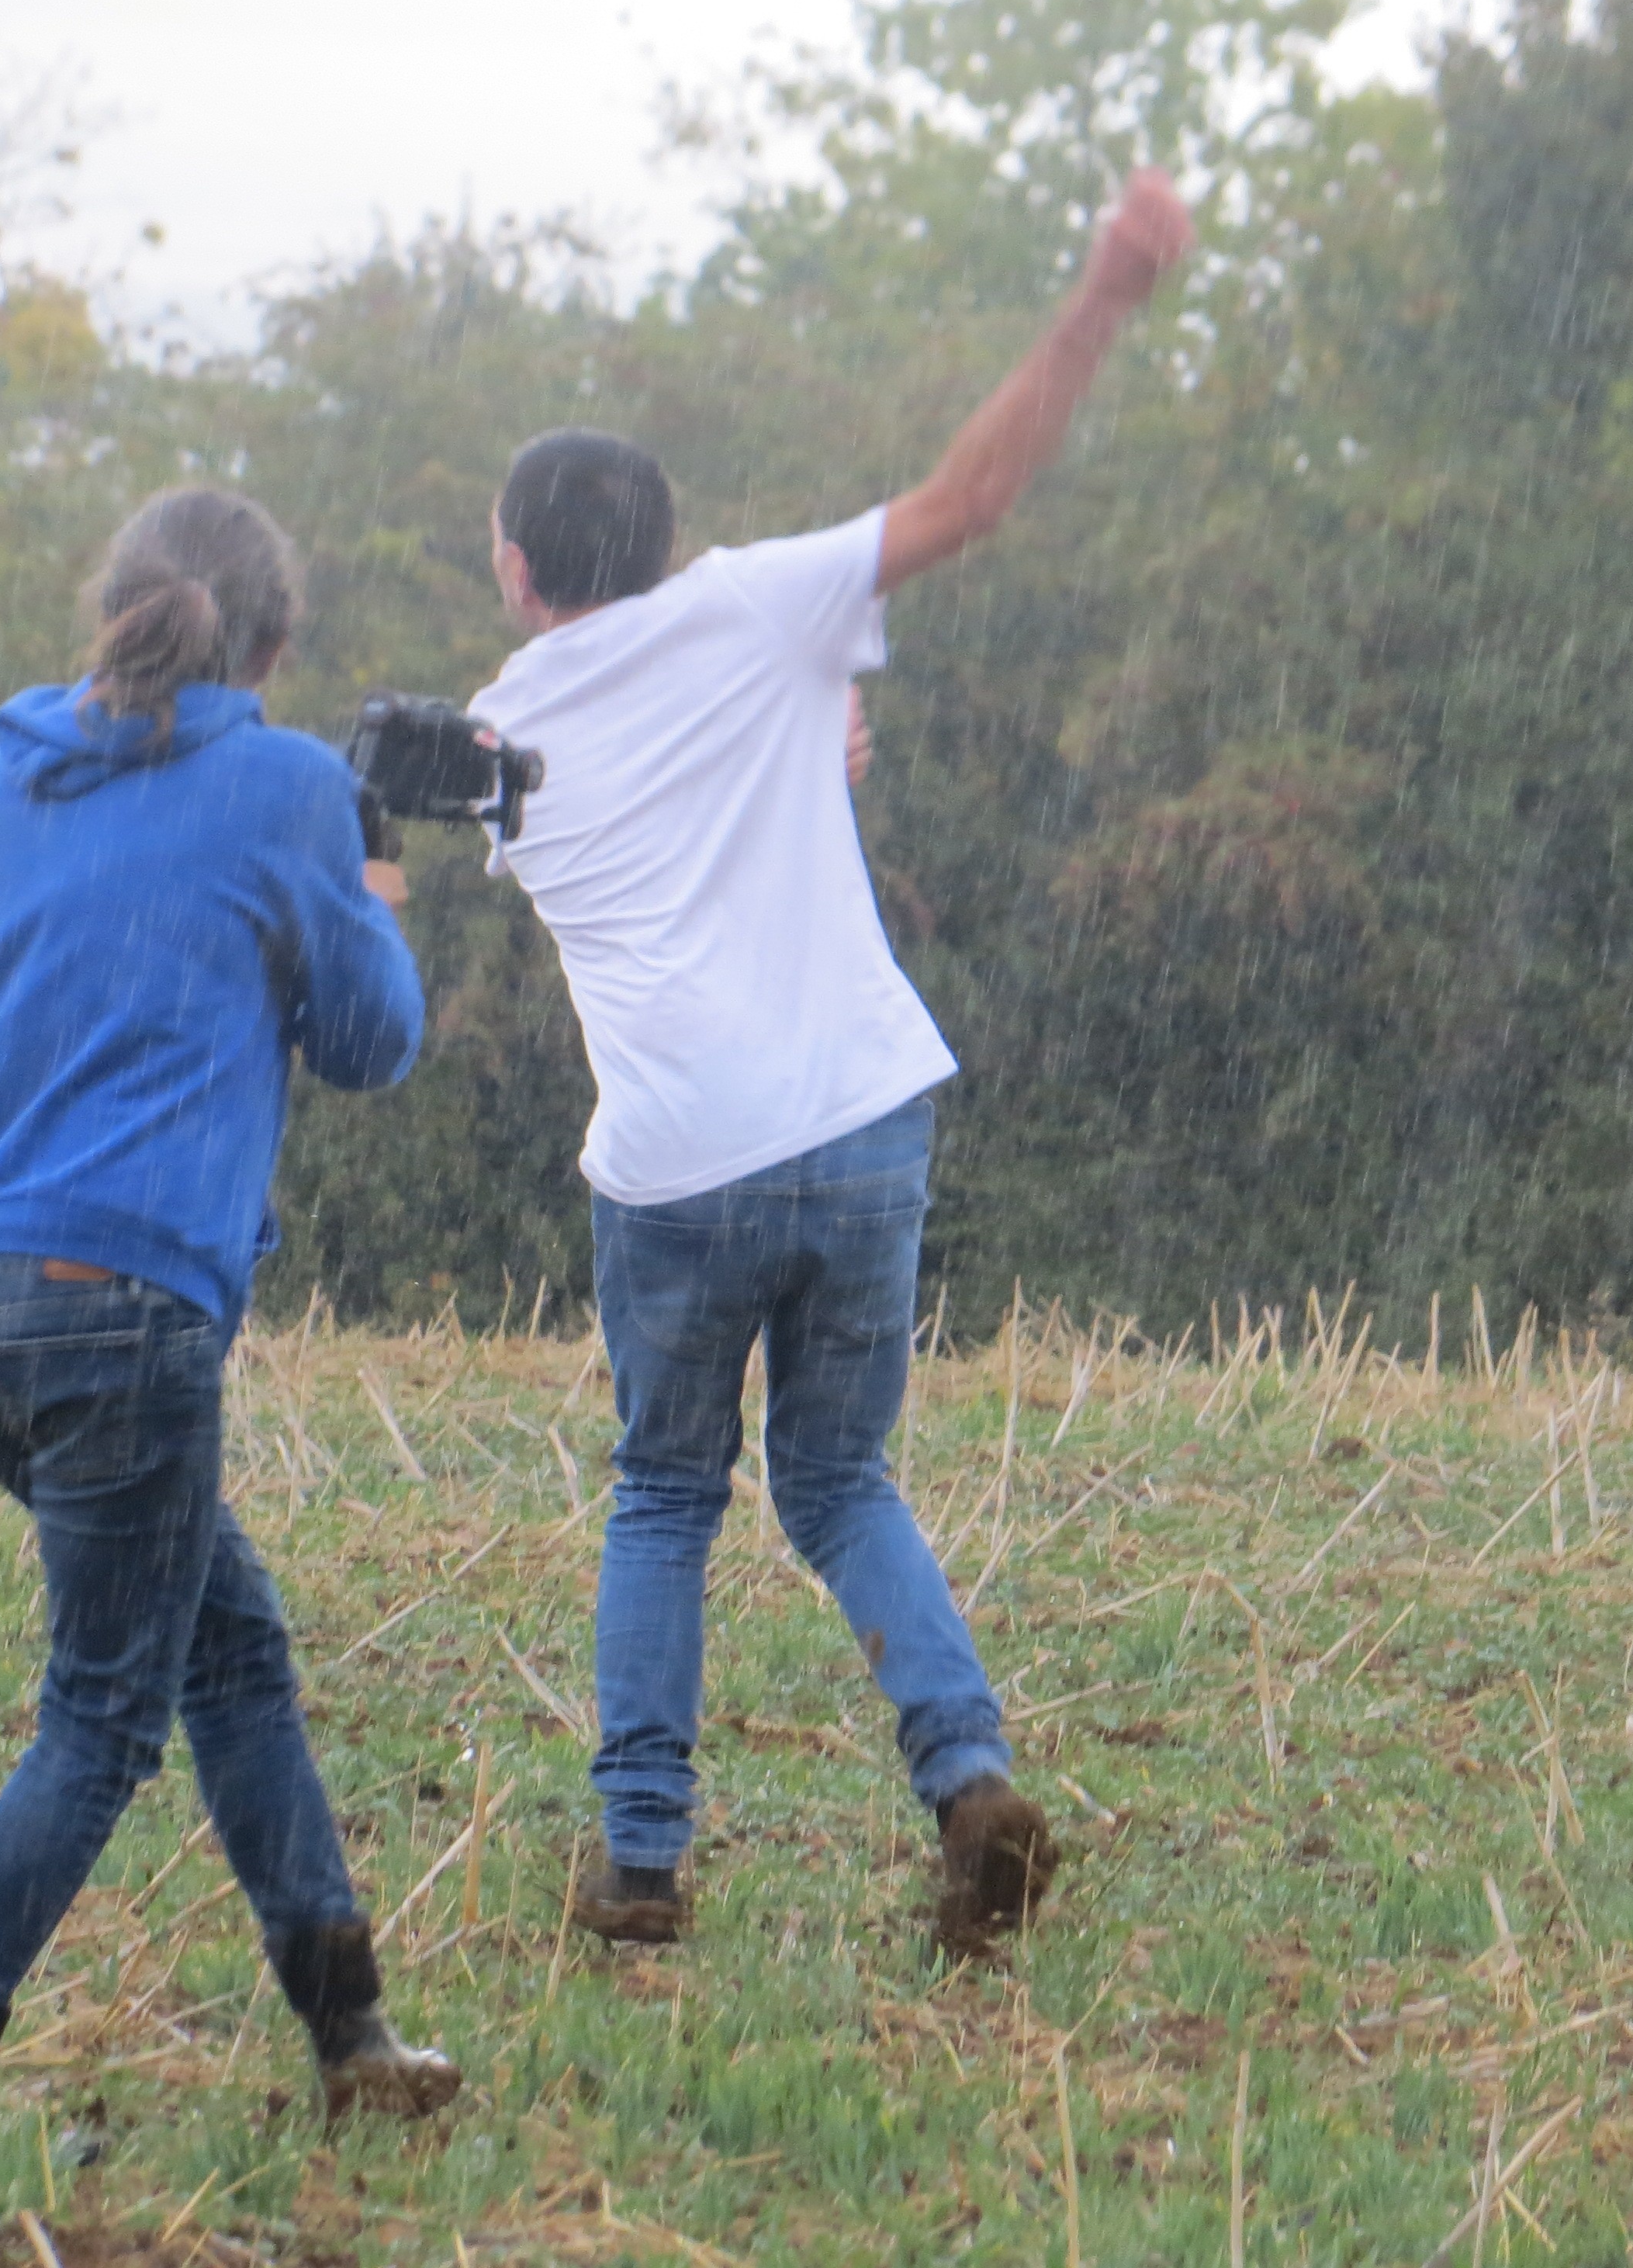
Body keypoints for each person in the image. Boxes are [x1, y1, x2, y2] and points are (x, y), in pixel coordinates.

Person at [470, 168, 1199, 1951]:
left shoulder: (497, 734)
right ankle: (966, 1782)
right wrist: (1101, 294)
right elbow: (976, 495)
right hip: (864, 1119)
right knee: (838, 1480)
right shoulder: (761, 607)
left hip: (675, 1160)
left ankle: (641, 1865)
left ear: (511, 567)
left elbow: (624, 837)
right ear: (661, 543)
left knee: (663, 1490)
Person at [0, 486, 460, 2147]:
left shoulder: (5, 771)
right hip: (118, 1307)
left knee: (231, 1655)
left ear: (110, 610)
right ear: (270, 647)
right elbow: (369, 1041)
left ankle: (353, 2036)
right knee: (104, 1719)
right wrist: (376, 862)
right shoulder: (283, 786)